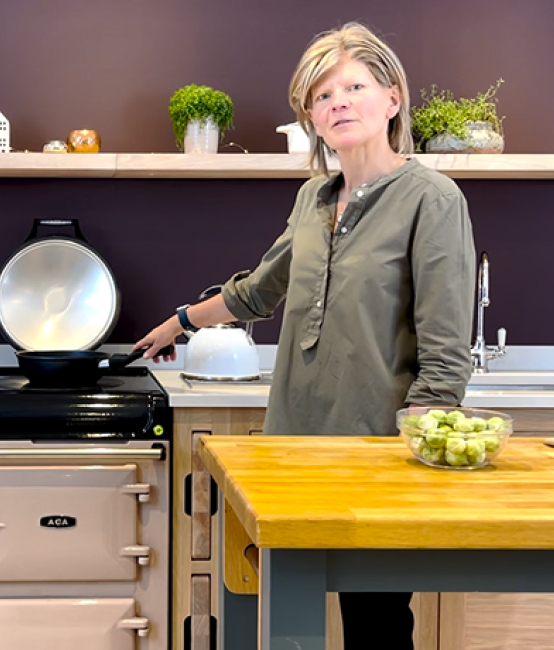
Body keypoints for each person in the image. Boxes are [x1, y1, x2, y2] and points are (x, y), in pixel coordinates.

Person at [133, 22, 476, 650]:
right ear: (311, 118)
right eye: (321, 95)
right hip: (296, 444)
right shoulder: (314, 199)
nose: (337, 102)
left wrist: (421, 441)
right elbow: (260, 289)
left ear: (392, 98)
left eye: (354, 86)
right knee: (282, 604)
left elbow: (447, 346)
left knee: (375, 621)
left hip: (378, 451)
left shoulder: (433, 199)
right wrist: (181, 320)